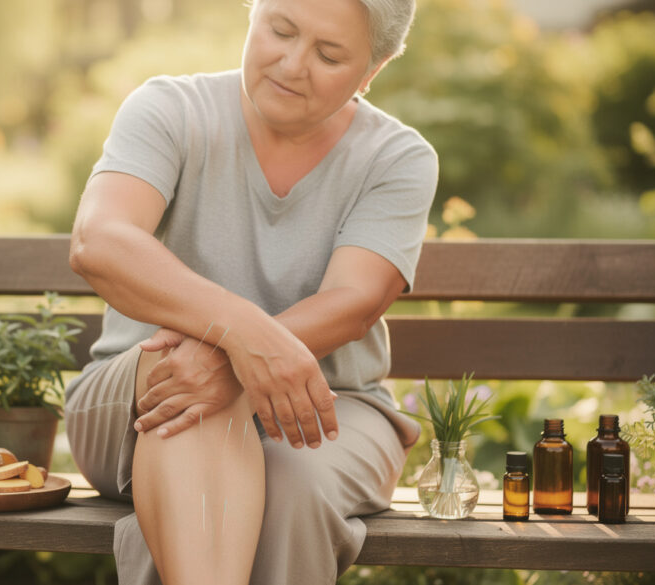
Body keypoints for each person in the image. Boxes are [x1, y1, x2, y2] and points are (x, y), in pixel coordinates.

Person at [64, 0, 436, 582]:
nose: (292, 63)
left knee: (292, 488)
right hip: (136, 394)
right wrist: (238, 337)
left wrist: (236, 356)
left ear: (373, 71)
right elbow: (98, 240)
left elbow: (356, 300)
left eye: (329, 53)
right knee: (191, 390)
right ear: (252, 14)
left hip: (325, 407)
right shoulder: (170, 108)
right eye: (280, 30)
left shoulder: (397, 158)